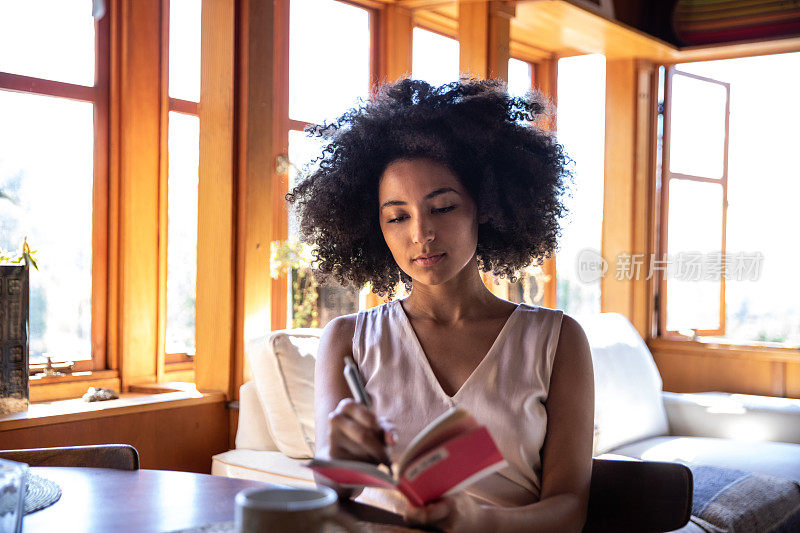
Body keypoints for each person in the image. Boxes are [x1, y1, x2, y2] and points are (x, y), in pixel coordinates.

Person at [286, 78, 594, 532]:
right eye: (397, 216)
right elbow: (332, 496)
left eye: (443, 207)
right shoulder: (348, 339)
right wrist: (340, 463)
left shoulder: (557, 341)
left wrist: (479, 522)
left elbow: (569, 510)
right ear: (376, 227)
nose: (420, 234)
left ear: (485, 205)